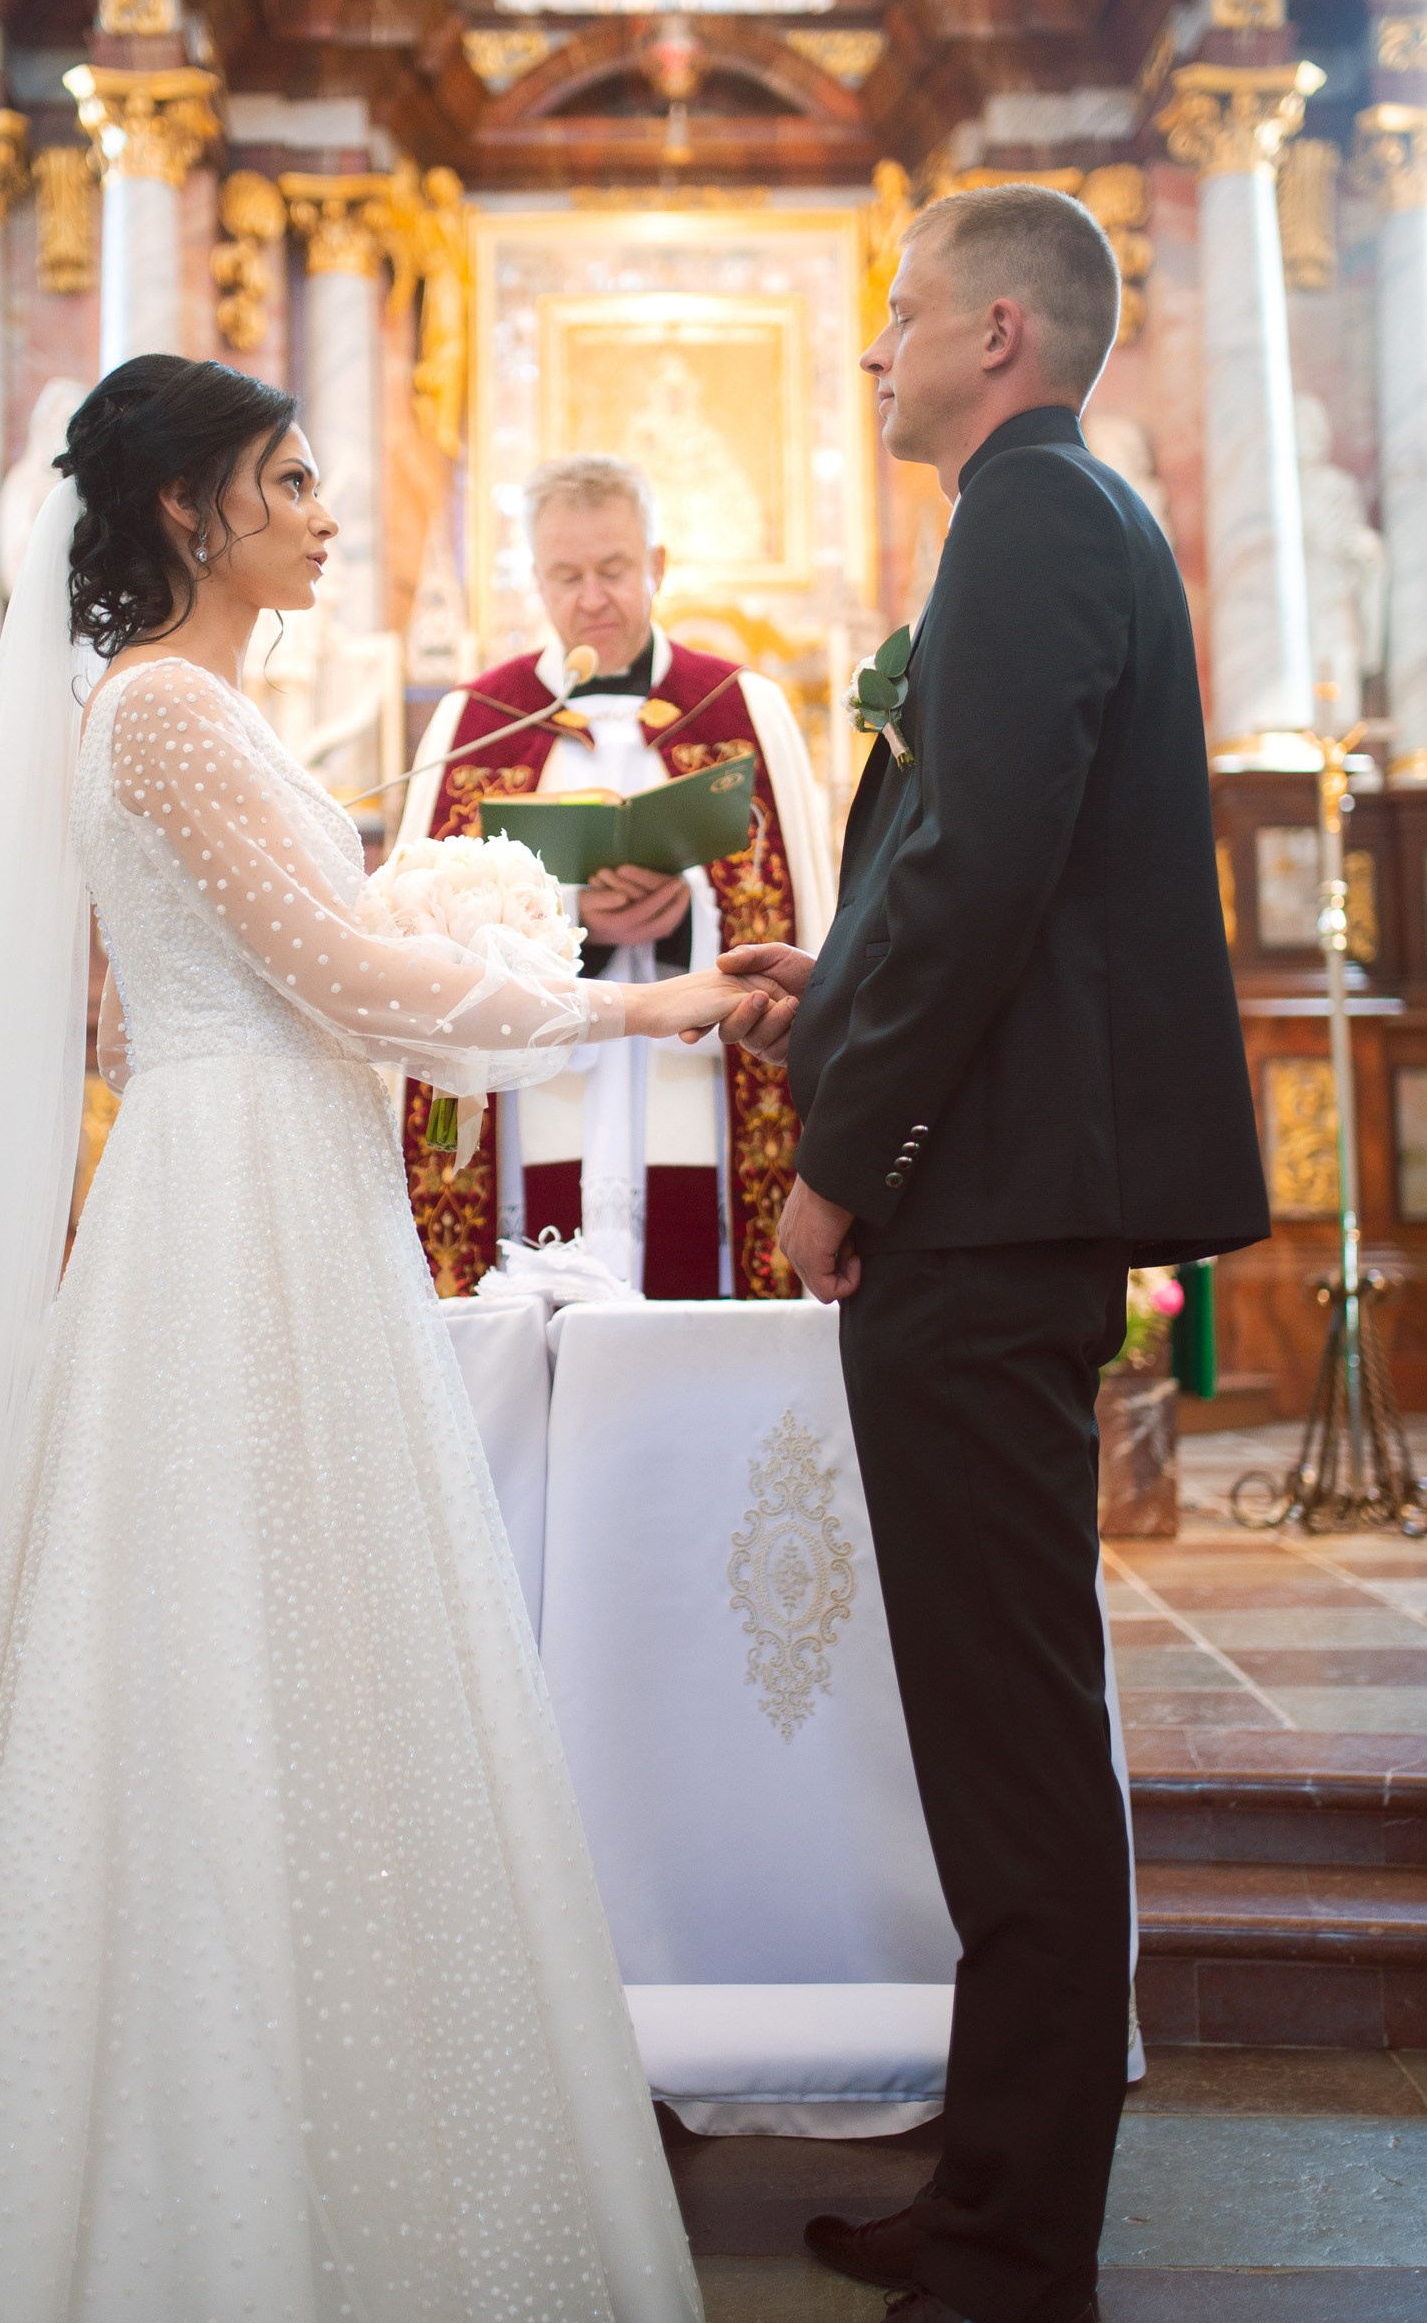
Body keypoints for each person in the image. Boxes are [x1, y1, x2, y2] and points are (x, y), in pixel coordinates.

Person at [0, 355, 768, 2319]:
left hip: (281, 1190)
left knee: (319, 1646)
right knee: (211, 1646)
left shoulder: (190, 713)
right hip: (232, 1223)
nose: (323, 509)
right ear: (192, 515)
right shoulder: (160, 712)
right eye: (289, 478)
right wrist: (619, 1009)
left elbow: (249, 977)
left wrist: (459, 939)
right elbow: (336, 971)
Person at [716, 186, 1270, 2323]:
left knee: (1011, 1735)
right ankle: (994, 2201)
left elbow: (987, 878)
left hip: (984, 1210)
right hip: (1017, 1186)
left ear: (1004, 335)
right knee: (996, 1724)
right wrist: (830, 978)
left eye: (899, 313)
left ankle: (1015, 2247)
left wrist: (842, 1152)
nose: (873, 348)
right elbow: (959, 876)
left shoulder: (1030, 524)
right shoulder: (1059, 515)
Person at [398, 453, 832, 1298]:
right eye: (566, 576)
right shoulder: (480, 723)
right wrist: (576, 922)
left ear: (657, 567)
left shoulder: (742, 709)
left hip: (703, 1087)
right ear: (535, 580)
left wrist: (682, 916)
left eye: (612, 570)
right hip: (537, 1094)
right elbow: (425, 936)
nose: (590, 598)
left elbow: (799, 914)